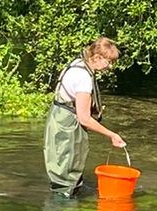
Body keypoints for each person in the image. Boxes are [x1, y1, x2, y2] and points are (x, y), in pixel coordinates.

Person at [45, 38, 126, 197]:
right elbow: (84, 119)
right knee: (66, 173)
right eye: (108, 62)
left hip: (58, 118)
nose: (109, 67)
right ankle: (62, 208)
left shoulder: (77, 63)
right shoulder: (83, 78)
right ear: (96, 57)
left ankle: (64, 202)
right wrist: (112, 135)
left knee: (61, 165)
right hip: (66, 125)